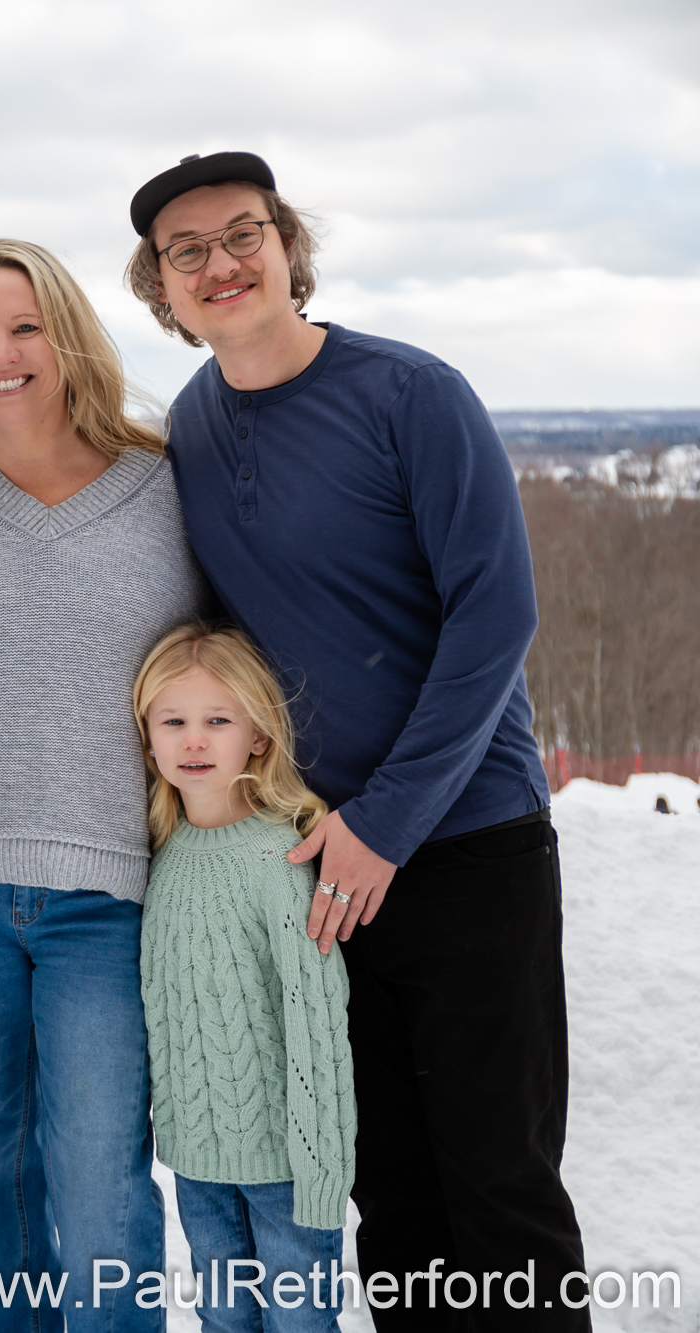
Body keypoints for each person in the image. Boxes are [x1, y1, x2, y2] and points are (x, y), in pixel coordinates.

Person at [125, 151, 586, 1329]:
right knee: (382, 1193)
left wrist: (383, 822)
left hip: (464, 844)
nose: (220, 263)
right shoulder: (189, 424)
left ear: (286, 247)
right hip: (316, 868)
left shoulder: (409, 394)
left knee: (497, 1189)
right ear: (160, 291)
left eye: (242, 234)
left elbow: (495, 614)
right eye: (188, 252)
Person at [0, 238, 201, 1330]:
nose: (0, 352)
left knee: (101, 1194)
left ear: (67, 337)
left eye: (23, 326)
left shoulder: (165, 491)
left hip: (111, 897)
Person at [133, 623, 354, 1333]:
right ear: (149, 738)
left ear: (257, 733)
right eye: (175, 721)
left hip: (287, 1176)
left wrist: (321, 1175)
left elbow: (315, 1024)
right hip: (198, 1167)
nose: (194, 741)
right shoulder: (158, 859)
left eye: (217, 721)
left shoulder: (279, 860)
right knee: (224, 1322)